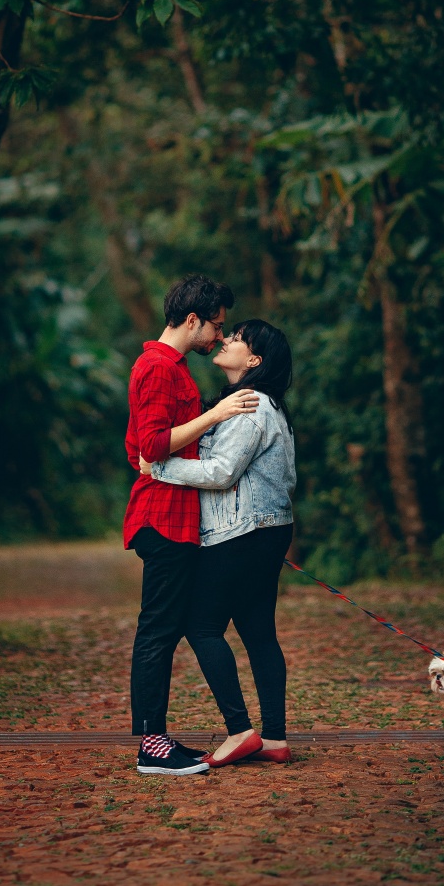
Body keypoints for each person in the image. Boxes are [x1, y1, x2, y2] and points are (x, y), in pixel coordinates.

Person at [140, 319, 295, 767]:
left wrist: (158, 468)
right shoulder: (261, 406)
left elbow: (221, 472)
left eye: (236, 336)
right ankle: (275, 739)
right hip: (263, 531)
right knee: (257, 631)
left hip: (240, 534)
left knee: (200, 626)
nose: (225, 339)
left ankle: (241, 731)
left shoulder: (250, 405)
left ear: (254, 361)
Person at [124, 274, 261, 776]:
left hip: (174, 518)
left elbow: (135, 446)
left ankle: (158, 739)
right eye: (216, 327)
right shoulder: (159, 368)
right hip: (162, 517)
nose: (219, 338)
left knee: (168, 626)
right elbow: (152, 447)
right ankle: (151, 745)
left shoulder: (168, 367)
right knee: (158, 630)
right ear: (191, 320)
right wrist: (217, 413)